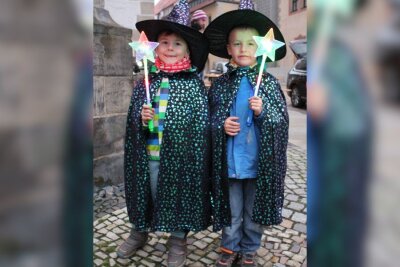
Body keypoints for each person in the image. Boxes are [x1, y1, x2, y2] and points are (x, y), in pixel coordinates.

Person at [117, 1, 211, 266]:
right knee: (145, 191)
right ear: (155, 47)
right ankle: (140, 230)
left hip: (180, 157)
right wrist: (140, 118)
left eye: (177, 43)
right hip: (149, 152)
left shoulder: (193, 84)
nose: (170, 47)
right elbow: (132, 121)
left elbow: (200, 123)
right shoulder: (146, 81)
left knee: (179, 194)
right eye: (165, 42)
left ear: (187, 50)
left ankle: (178, 238)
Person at [204, 0, 289, 266]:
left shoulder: (270, 84)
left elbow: (281, 123)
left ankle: (250, 247)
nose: (243, 49)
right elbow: (209, 119)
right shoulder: (220, 85)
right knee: (231, 209)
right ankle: (229, 247)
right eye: (237, 44)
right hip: (230, 163)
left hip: (257, 163)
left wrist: (263, 112)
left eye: (250, 43)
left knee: (253, 212)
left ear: (260, 48)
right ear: (228, 49)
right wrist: (221, 125)